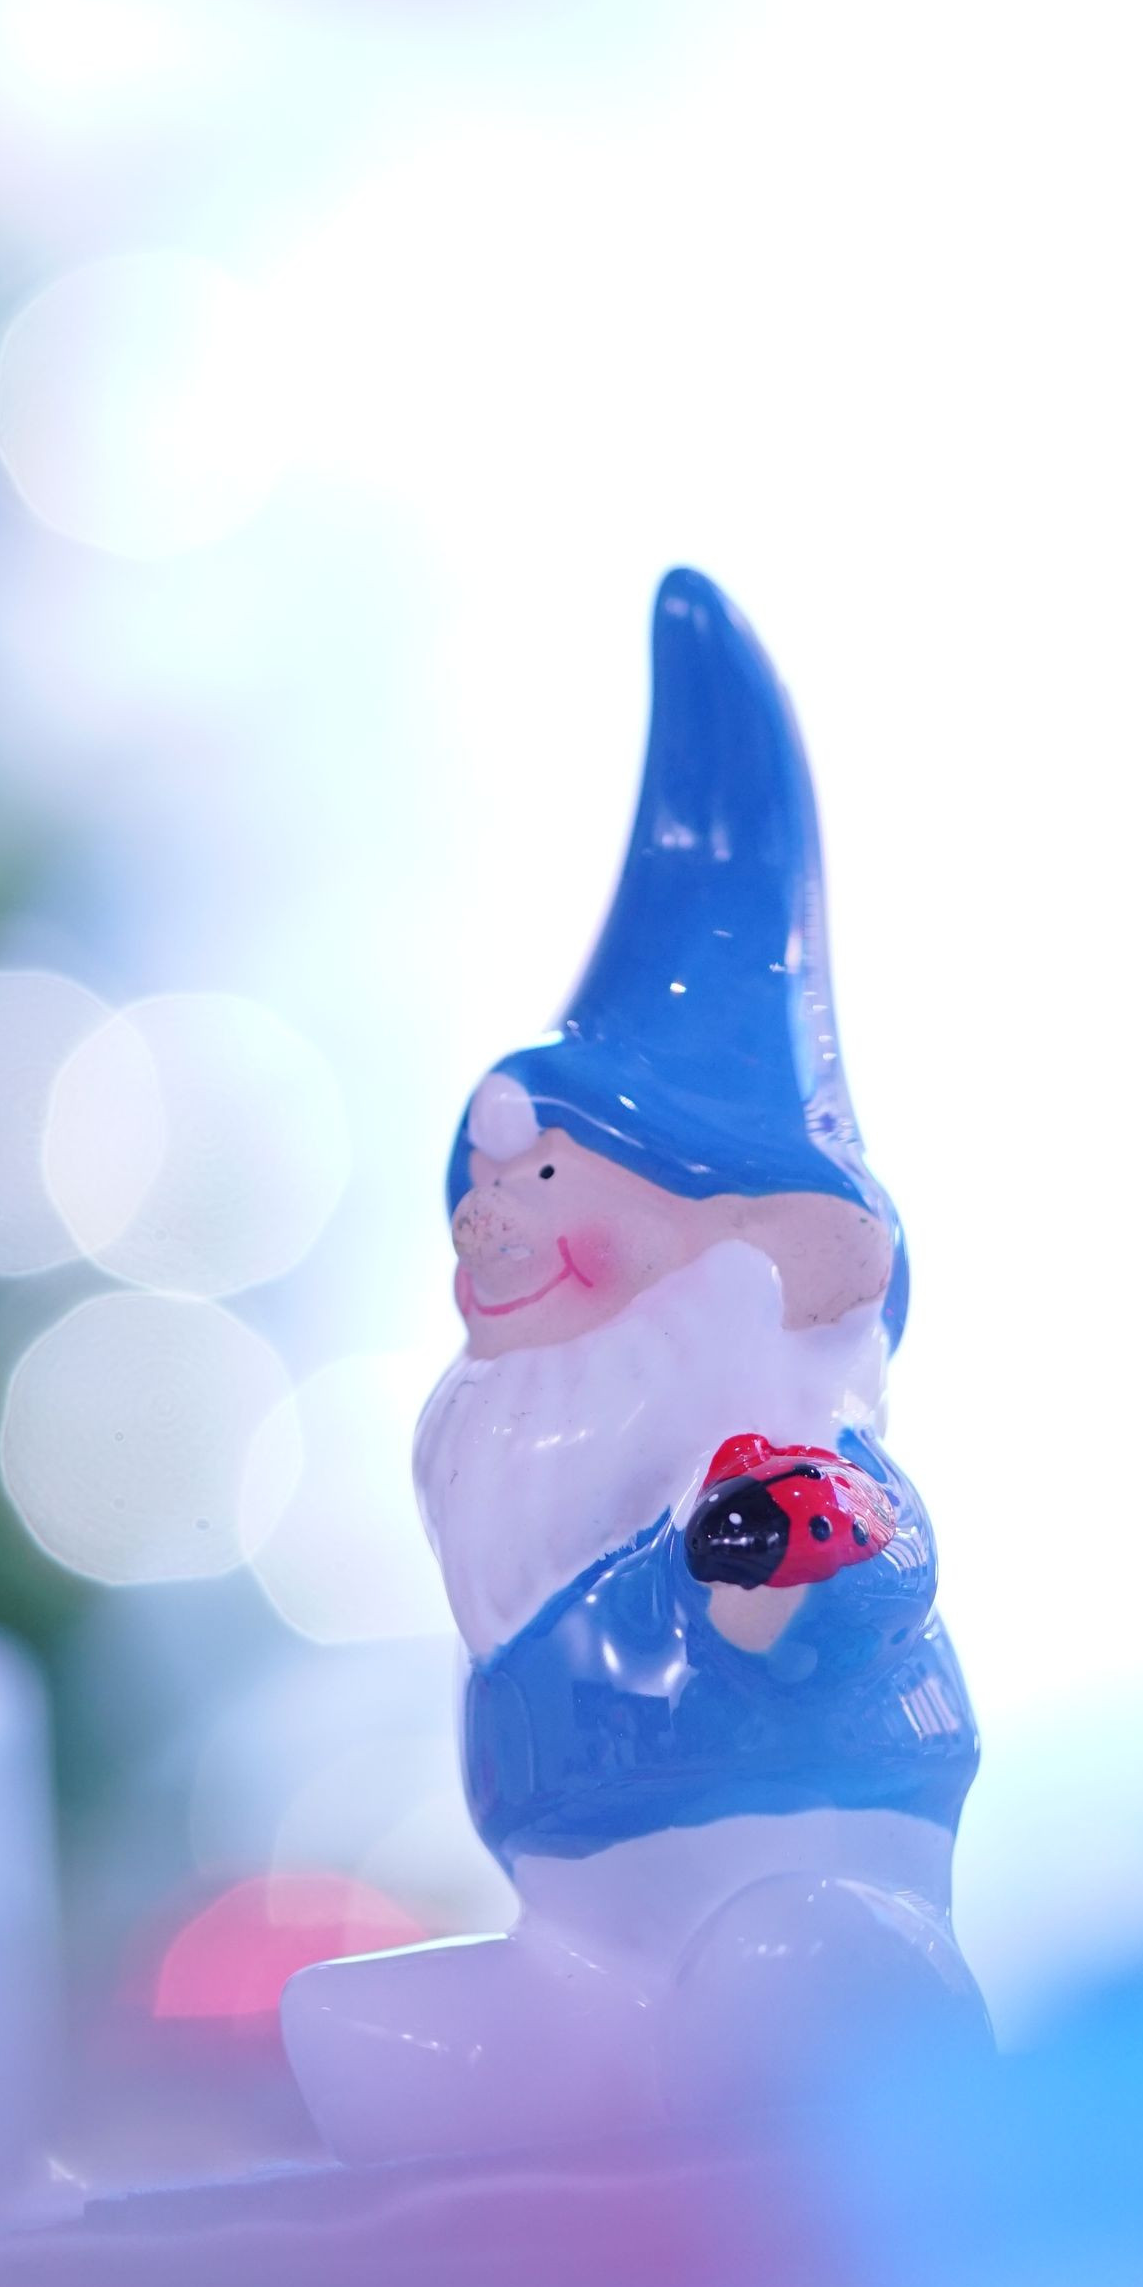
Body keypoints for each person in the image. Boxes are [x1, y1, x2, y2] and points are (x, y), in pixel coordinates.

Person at [282, 568, 988, 2164]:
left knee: (784, 1978)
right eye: (475, 1191)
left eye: (538, 1179)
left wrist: (767, 1568)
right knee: (357, 2036)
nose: (486, 1224)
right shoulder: (525, 1485)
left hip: (790, 1892)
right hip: (591, 1936)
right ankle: (595, 2073)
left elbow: (857, 1563)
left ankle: (843, 2060)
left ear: (730, 1227)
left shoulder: (765, 1440)